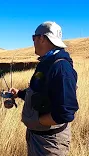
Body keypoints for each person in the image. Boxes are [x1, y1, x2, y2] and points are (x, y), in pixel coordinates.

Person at [10, 21, 79, 156]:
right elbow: (40, 92)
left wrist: (37, 121)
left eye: (33, 37)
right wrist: (19, 94)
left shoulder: (61, 68)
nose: (33, 41)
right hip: (38, 138)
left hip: (50, 143)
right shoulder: (46, 63)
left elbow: (66, 113)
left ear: (42, 38)